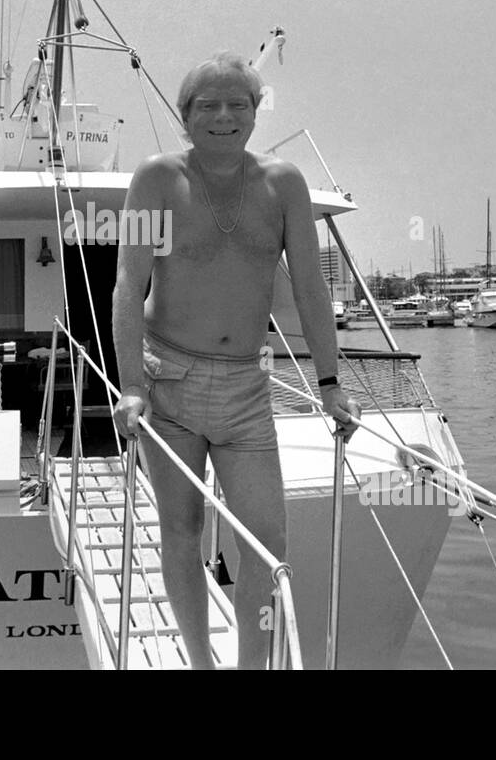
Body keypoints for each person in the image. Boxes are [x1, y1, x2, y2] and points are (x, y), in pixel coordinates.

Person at [111, 50, 359, 669]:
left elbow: (309, 288)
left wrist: (330, 384)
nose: (223, 115)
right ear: (185, 115)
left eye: (237, 103)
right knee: (181, 530)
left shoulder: (284, 183)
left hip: (247, 389)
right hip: (169, 384)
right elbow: (127, 286)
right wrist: (131, 385)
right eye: (207, 105)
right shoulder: (157, 179)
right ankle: (200, 662)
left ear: (254, 111)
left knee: (268, 542)